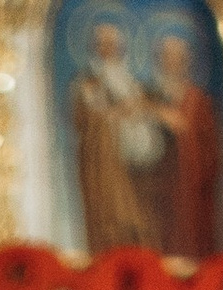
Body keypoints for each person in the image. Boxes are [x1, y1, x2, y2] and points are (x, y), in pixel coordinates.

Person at [67, 16, 163, 252]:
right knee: (112, 213)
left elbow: (142, 107)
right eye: (102, 44)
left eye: (112, 44)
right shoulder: (88, 81)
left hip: (136, 161)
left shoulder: (127, 78)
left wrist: (138, 108)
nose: (107, 49)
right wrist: (119, 112)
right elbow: (87, 116)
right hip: (105, 160)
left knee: (140, 215)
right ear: (95, 47)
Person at [151, 26, 222, 258]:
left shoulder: (198, 100)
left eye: (177, 59)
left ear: (185, 62)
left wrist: (182, 130)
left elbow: (210, 148)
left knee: (189, 238)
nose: (171, 64)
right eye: (166, 58)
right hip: (158, 183)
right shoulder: (152, 96)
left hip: (189, 184)